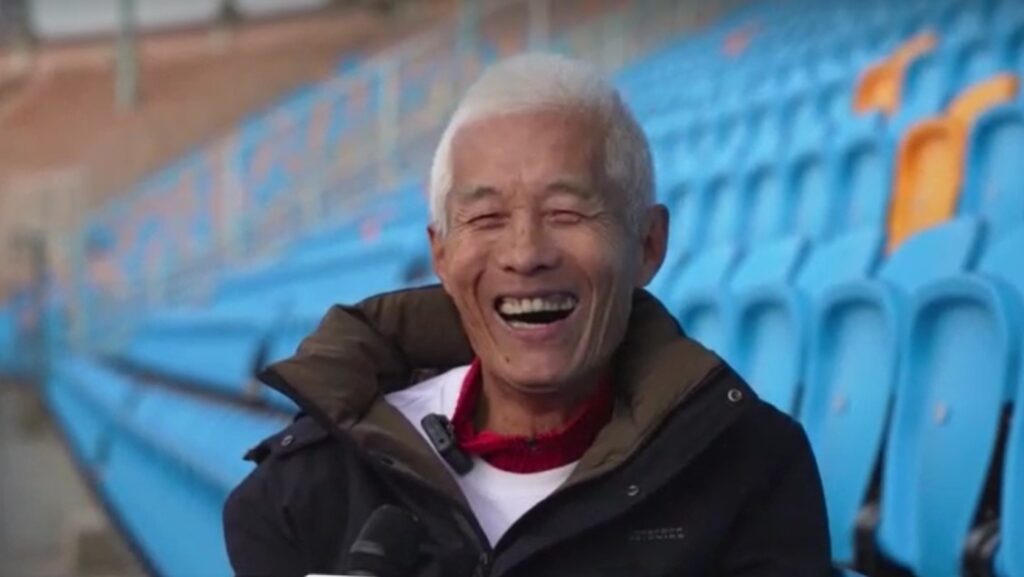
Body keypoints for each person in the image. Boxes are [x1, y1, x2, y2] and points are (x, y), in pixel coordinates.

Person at [223, 53, 833, 577]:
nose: (525, 254)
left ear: (648, 244)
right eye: (485, 218)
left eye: (567, 212)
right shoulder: (304, 491)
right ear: (440, 252)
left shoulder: (749, 468)